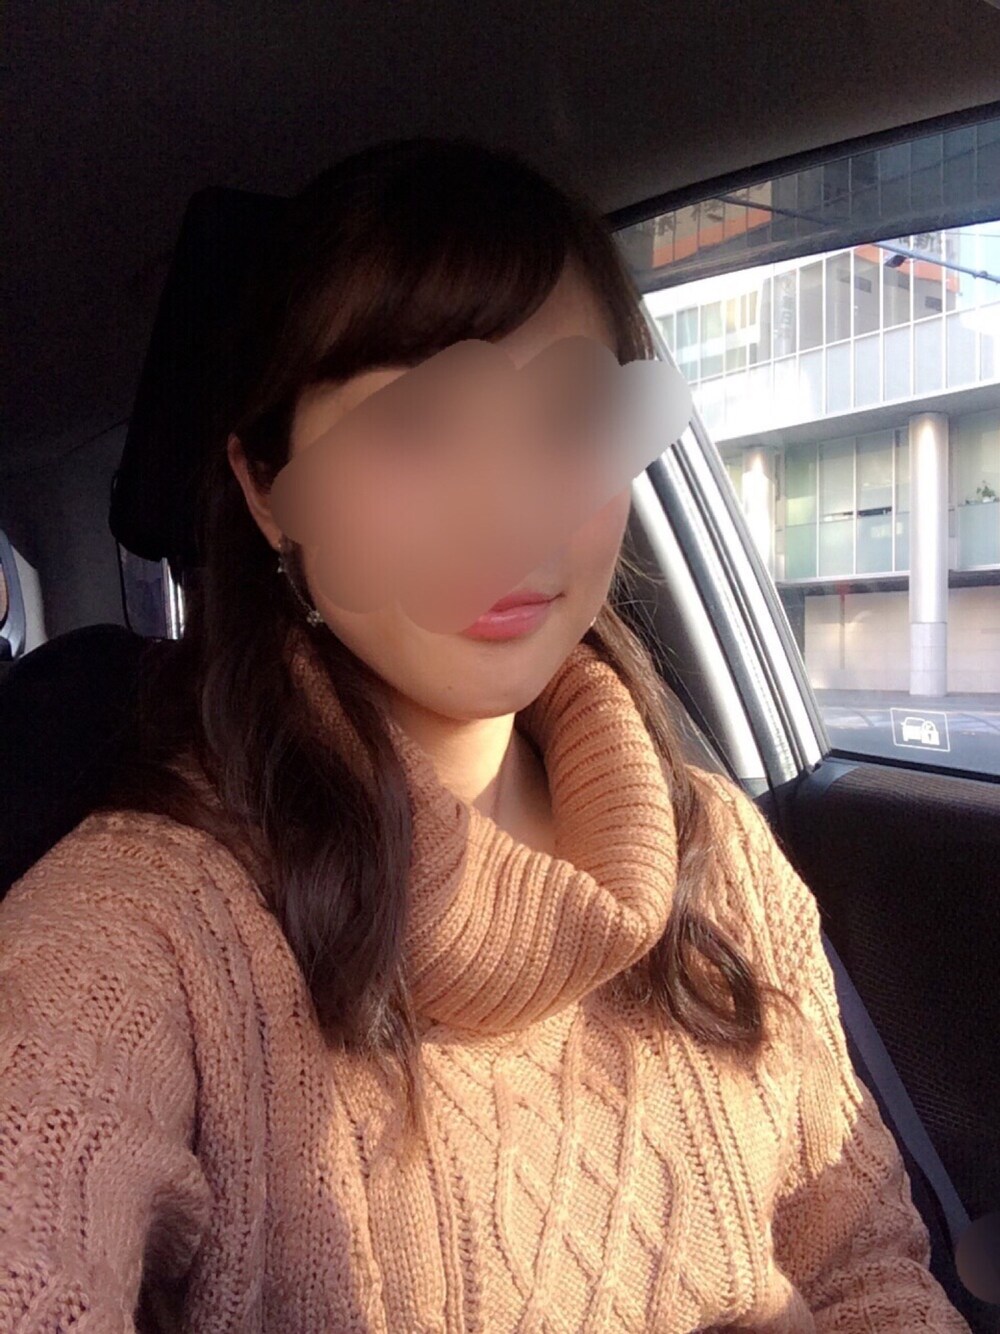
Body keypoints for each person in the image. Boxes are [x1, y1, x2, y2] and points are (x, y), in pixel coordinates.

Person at [0, 138, 970, 1333]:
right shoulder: (148, 927)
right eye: (410, 424)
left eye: (567, 416)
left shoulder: (716, 845)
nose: (510, 510)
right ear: (264, 489)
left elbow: (866, 1263)